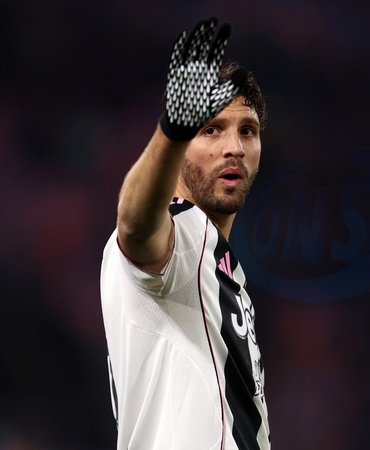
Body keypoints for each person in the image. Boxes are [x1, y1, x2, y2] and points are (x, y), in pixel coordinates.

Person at [100, 17, 270, 450]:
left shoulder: (222, 270)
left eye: (247, 131)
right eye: (210, 129)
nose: (234, 147)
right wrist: (171, 130)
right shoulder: (183, 235)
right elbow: (136, 225)